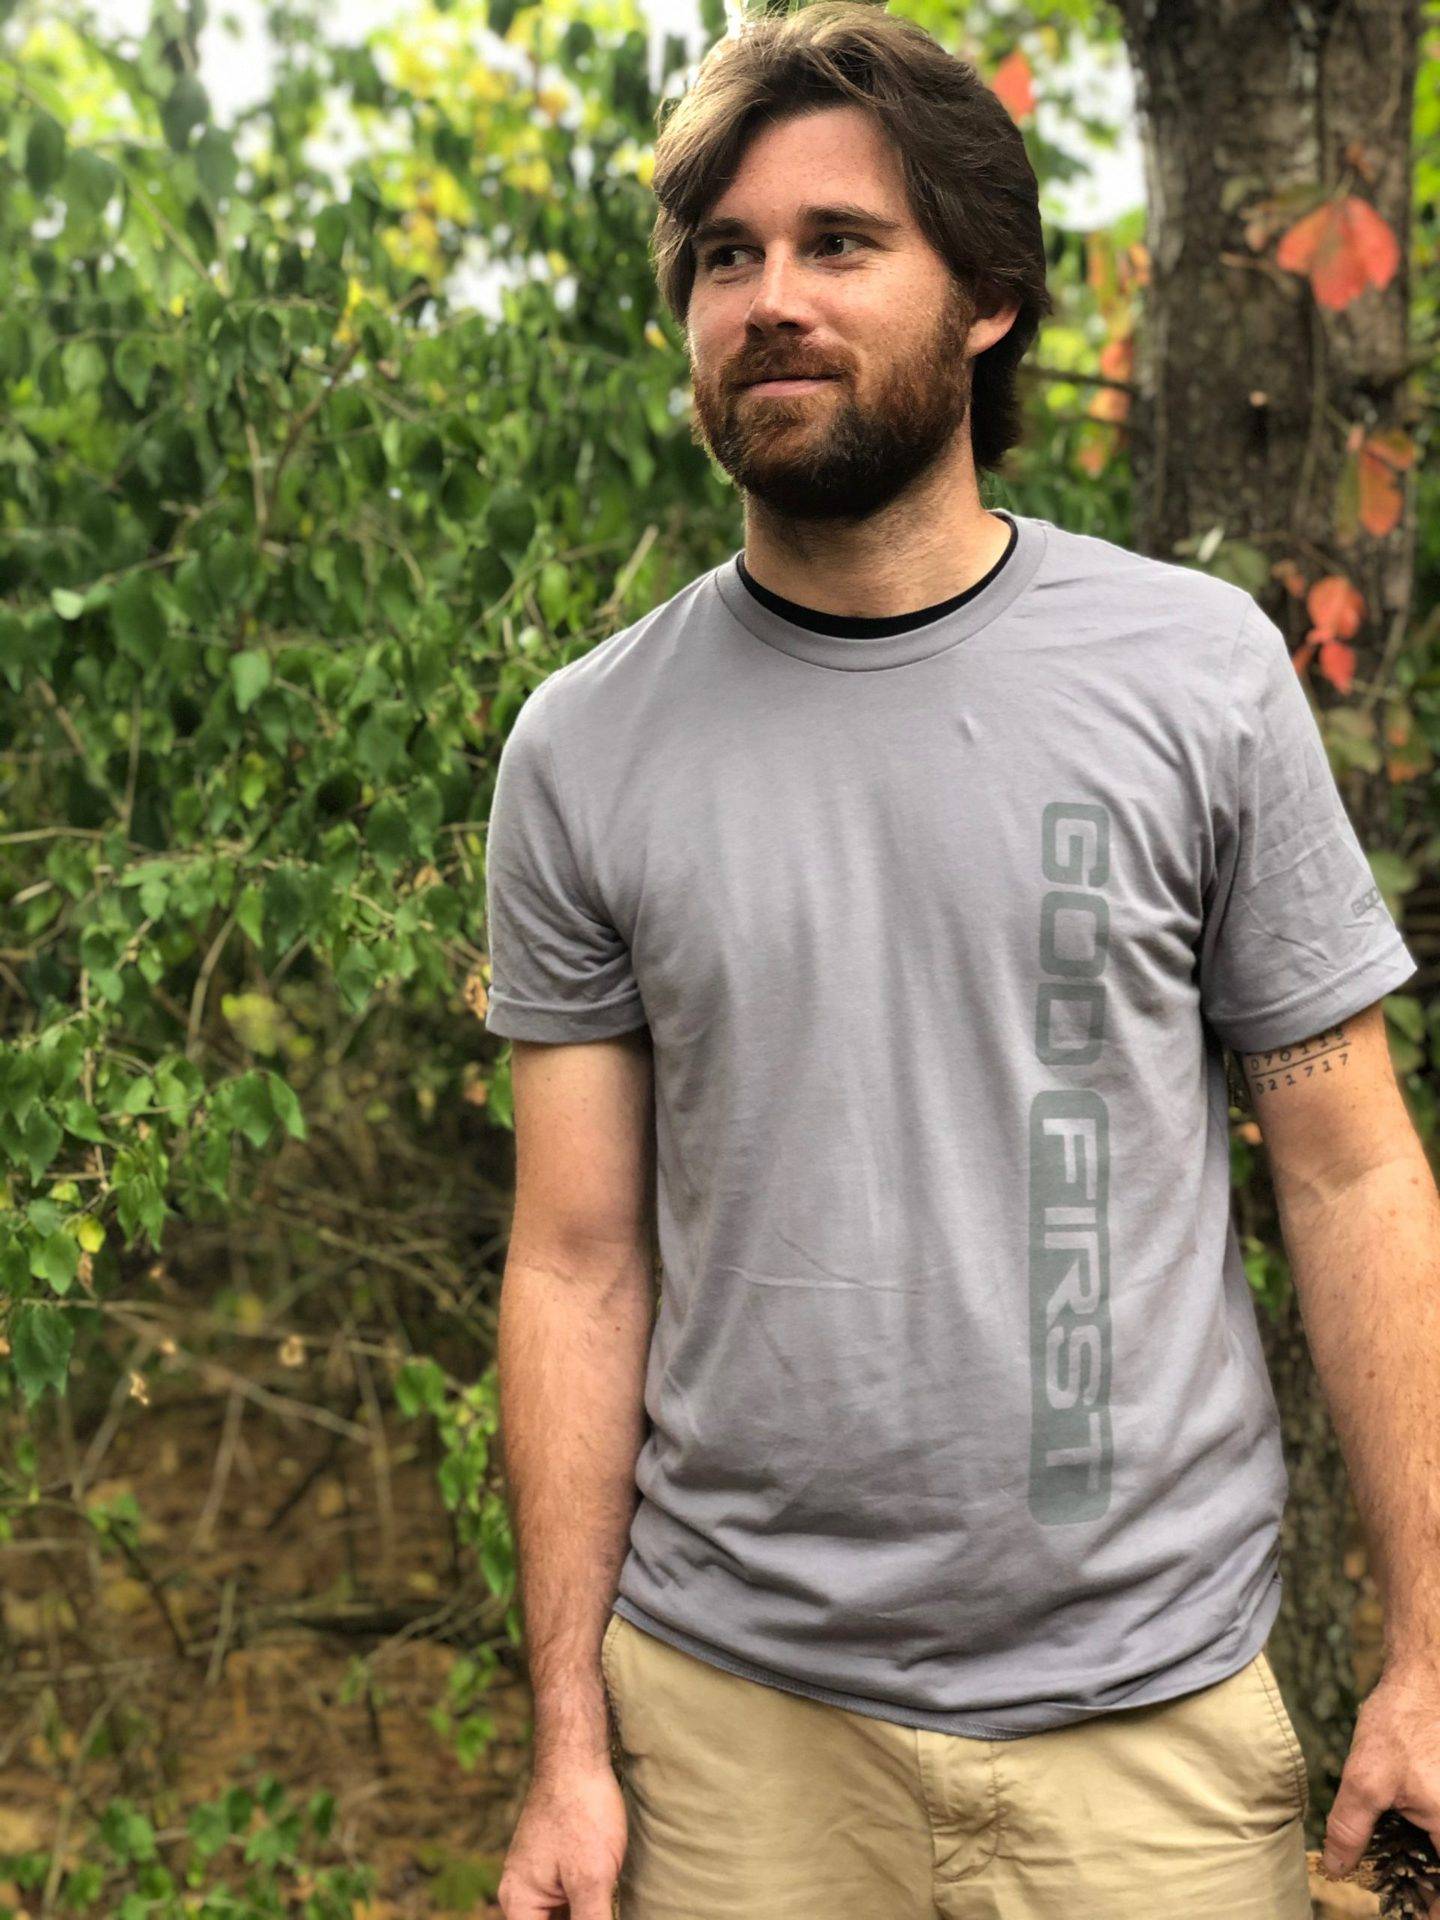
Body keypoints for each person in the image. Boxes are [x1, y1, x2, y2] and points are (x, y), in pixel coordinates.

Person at [485, 6, 1420, 1917]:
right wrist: (570, 1747)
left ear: (984, 297)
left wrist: (1434, 1650)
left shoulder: (1196, 676)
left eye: (840, 244)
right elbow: (576, 1263)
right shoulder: (583, 749)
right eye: (725, 257)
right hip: (733, 1744)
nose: (769, 299)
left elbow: (1350, 1167)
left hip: (1149, 1740)